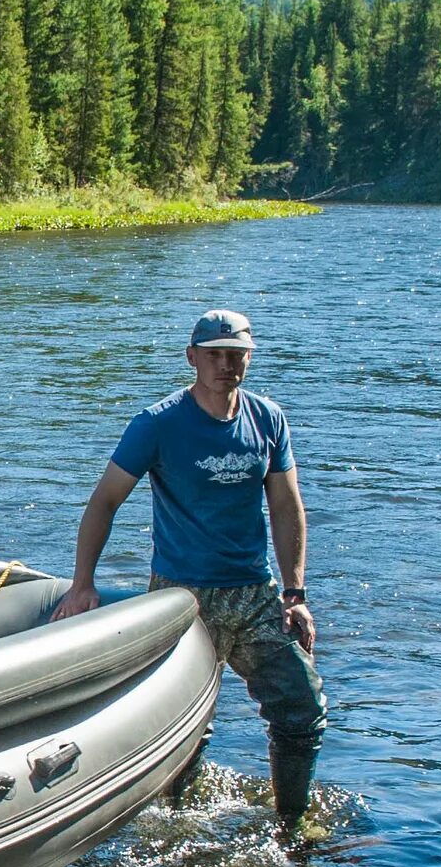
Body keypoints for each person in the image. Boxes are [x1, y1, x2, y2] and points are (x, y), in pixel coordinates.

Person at [51, 307, 328, 834]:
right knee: (187, 728)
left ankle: (292, 823)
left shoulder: (266, 419)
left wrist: (295, 594)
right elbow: (105, 501)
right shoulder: (158, 424)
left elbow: (287, 507)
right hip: (183, 598)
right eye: (216, 355)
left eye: (237, 355)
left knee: (301, 706)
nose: (227, 365)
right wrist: (83, 582)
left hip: (254, 594)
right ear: (192, 358)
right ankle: (180, 830)